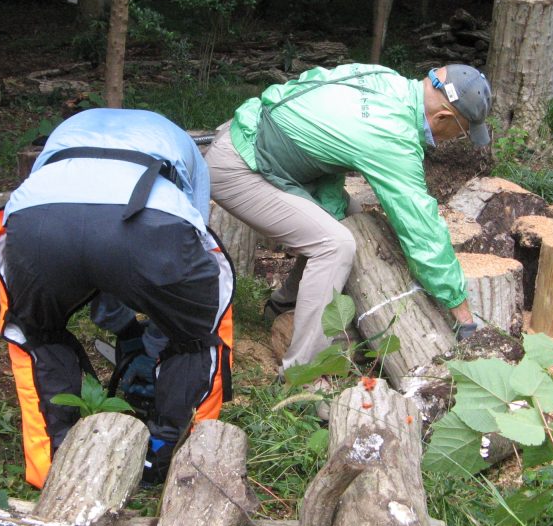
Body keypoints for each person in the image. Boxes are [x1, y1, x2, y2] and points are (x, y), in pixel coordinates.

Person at [0, 108, 235, 488]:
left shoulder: (65, 132)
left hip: (36, 221)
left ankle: (51, 464)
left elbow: (89, 253)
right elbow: (185, 256)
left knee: (35, 332)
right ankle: (173, 458)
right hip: (152, 220)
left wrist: (124, 328)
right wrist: (157, 339)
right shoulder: (185, 148)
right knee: (197, 335)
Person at [205, 63, 491, 376]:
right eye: (461, 133)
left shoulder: (385, 79)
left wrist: (335, 209)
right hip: (240, 166)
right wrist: (460, 308)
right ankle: (304, 371)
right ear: (443, 117)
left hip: (266, 151)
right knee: (335, 244)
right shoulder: (391, 134)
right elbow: (421, 228)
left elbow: (329, 137)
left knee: (357, 222)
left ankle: (285, 304)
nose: (453, 140)